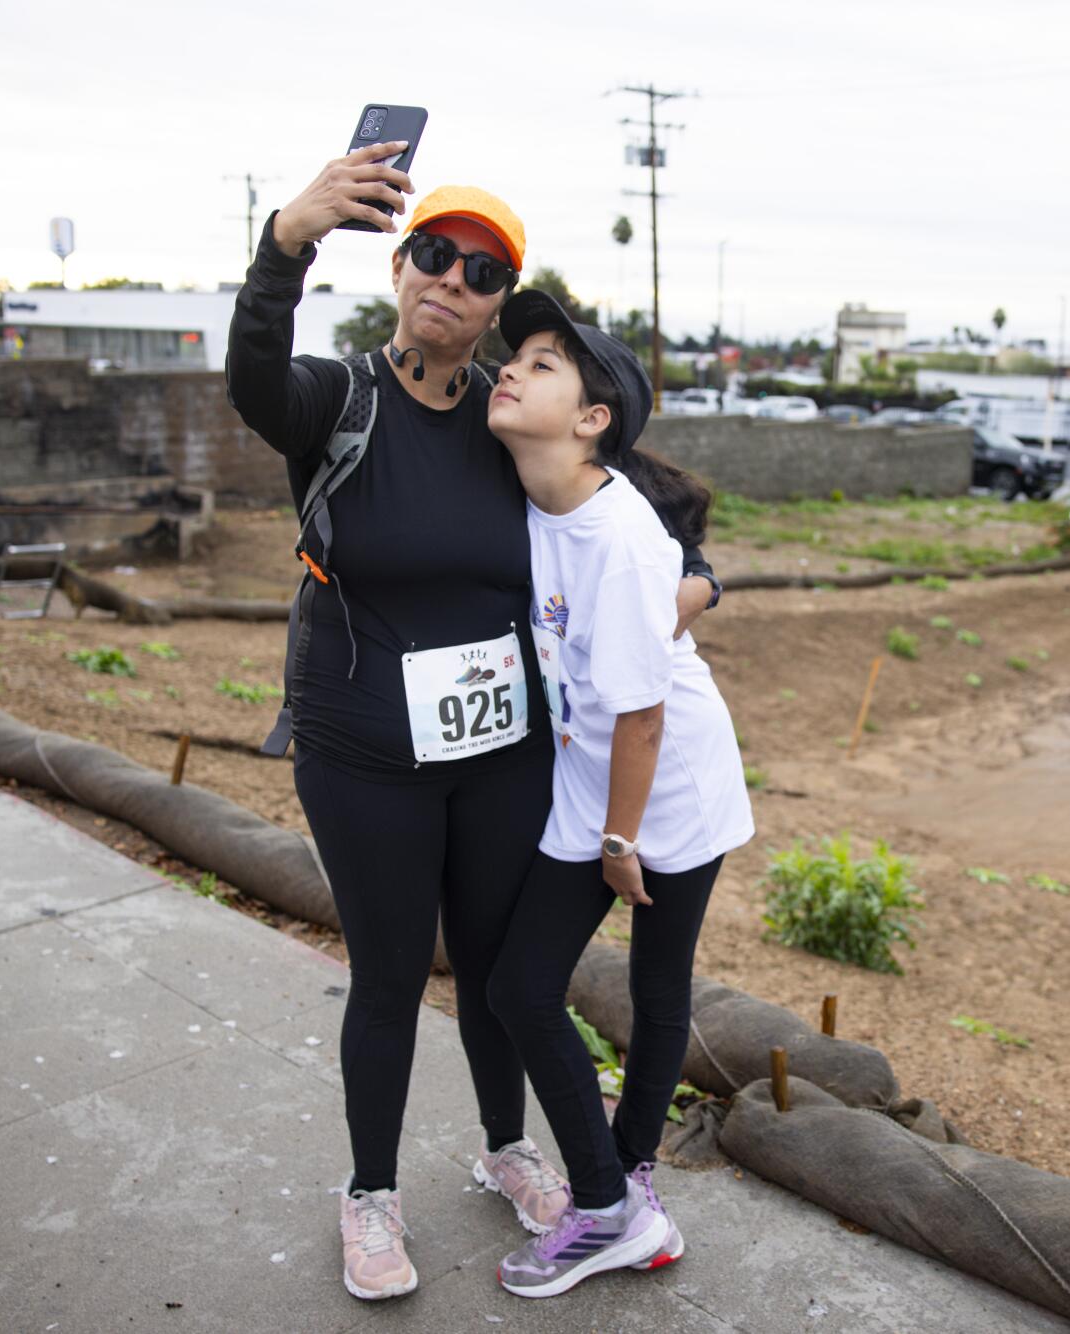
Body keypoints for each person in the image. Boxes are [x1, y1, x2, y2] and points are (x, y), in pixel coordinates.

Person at [223, 141, 719, 1302]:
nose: (452, 277)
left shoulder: (510, 419)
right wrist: (284, 243)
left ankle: (509, 1150)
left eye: (480, 270)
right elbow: (251, 384)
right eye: (434, 254)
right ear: (400, 266)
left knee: (498, 967)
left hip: (501, 754)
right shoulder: (336, 399)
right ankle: (369, 1194)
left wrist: (694, 587)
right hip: (364, 752)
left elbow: (658, 514)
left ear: (497, 306)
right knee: (391, 974)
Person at [482, 291, 755, 1299]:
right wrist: (703, 584)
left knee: (655, 980)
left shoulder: (621, 537)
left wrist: (618, 839)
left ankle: (618, 1183)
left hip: (664, 790)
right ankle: (613, 1197)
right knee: (519, 983)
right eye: (519, 358)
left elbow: (640, 716)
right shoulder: (526, 492)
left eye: (542, 363)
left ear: (591, 417)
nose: (509, 370)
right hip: (589, 779)